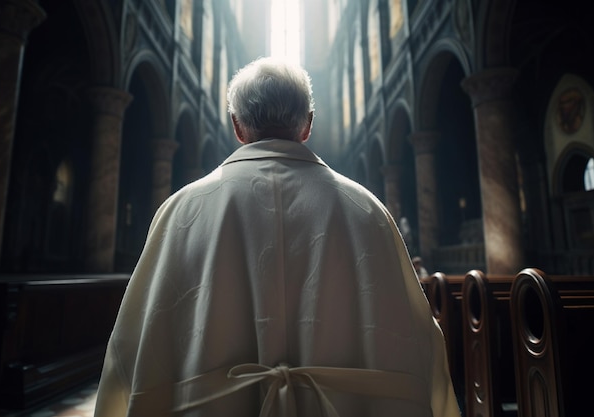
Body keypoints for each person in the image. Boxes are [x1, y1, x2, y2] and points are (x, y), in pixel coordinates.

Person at [94, 57, 460, 417]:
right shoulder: (367, 210)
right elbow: (417, 345)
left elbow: (131, 350)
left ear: (236, 126)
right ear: (308, 125)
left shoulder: (181, 211)